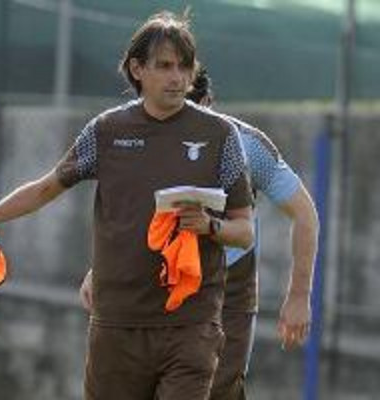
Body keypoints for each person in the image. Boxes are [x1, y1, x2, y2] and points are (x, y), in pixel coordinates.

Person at [0, 11, 254, 400]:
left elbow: (245, 231)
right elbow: (45, 188)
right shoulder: (106, 131)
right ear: (137, 69)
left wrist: (209, 226)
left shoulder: (220, 134)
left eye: (184, 66)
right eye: (164, 66)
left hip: (191, 325)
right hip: (116, 325)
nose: (177, 77)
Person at [79, 67, 320, 400]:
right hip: (155, 291)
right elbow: (133, 215)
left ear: (206, 102)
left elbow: (305, 214)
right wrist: (100, 270)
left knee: (217, 389)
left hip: (227, 294)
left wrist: (298, 296)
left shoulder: (244, 145)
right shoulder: (145, 137)